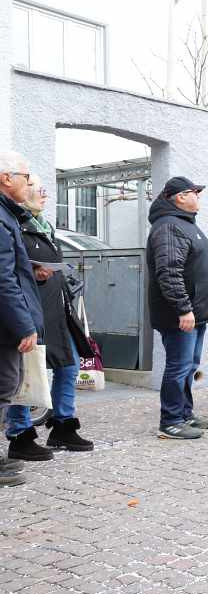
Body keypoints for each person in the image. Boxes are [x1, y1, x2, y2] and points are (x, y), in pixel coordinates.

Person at [5, 177, 94, 461]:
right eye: (39, 191)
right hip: (32, 309)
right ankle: (20, 434)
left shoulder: (45, 226)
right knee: (29, 373)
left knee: (68, 367)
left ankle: (63, 425)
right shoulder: (16, 225)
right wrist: (35, 272)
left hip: (59, 309)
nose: (44, 195)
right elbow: (12, 271)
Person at [147, 176, 208, 440]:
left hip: (195, 312)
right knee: (178, 366)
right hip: (181, 314)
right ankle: (170, 421)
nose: (198, 197)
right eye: (194, 193)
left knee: (189, 365)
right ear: (180, 197)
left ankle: (185, 414)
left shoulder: (185, 224)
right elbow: (169, 272)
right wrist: (182, 308)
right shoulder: (169, 226)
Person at [0, 152, 43, 486]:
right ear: (5, 178)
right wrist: (24, 324)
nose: (29, 183)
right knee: (3, 387)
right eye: (25, 177)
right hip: (5, 325)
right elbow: (3, 279)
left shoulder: (7, 215)